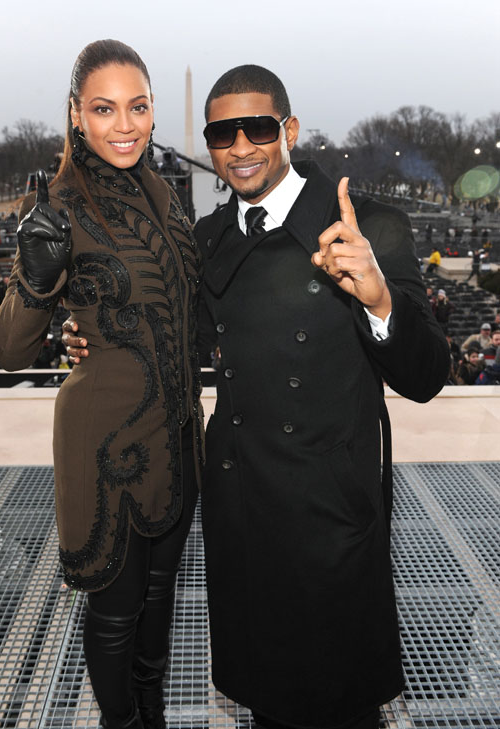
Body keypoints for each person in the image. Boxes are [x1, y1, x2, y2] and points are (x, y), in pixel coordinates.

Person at [65, 65, 449, 729]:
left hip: (330, 516)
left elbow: (427, 375)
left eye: (259, 127)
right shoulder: (206, 241)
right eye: (222, 132)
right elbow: (178, 343)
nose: (241, 145)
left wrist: (380, 297)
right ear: (210, 145)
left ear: (289, 131)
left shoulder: (370, 228)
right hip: (243, 513)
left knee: (341, 706)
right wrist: (93, 332)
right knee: (267, 704)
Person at [0, 39, 203, 729]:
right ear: (77, 115)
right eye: (105, 109)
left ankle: (153, 715)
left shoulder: (165, 193)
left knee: (160, 602)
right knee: (116, 614)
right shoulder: (56, 203)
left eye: (138, 107)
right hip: (106, 446)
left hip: (176, 436)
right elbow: (6, 348)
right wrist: (38, 279)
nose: (125, 125)